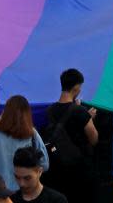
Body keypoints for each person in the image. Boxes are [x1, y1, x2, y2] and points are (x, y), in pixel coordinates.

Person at [42, 69, 98, 202]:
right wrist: (89, 118)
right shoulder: (81, 112)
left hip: (55, 167)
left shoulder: (49, 110)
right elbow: (94, 139)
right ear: (77, 87)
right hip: (77, 169)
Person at [0, 95, 50, 193]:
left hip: (0, 194)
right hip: (26, 192)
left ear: (5, 113)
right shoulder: (32, 134)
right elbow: (44, 165)